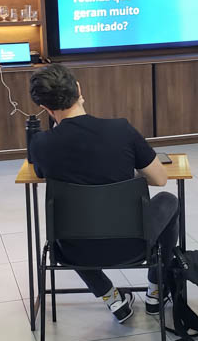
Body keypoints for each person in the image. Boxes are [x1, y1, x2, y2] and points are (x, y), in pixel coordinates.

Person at [28, 63, 178, 323]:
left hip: (73, 252)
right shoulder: (121, 129)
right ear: (79, 89)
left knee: (64, 225)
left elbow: (40, 172)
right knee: (169, 201)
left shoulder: (41, 143)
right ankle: (156, 290)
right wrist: (126, 179)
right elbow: (160, 179)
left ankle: (112, 298)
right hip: (134, 245)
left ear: (44, 107)